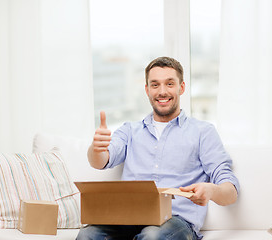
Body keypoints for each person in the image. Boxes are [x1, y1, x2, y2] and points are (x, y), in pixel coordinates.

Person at [76, 56, 240, 240]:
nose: (162, 91)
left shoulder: (203, 132)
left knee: (152, 237)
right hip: (126, 218)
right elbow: (101, 161)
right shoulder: (129, 130)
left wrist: (211, 190)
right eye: (155, 85)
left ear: (182, 87)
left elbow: (231, 192)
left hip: (176, 221)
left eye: (170, 84)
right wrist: (96, 149)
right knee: (87, 235)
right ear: (147, 90)